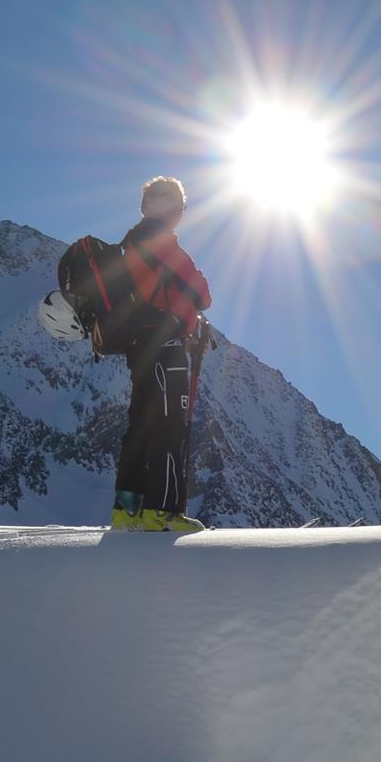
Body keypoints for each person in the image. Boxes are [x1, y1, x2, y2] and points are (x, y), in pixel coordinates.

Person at [112, 176, 212, 532]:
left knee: (141, 426)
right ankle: (162, 511)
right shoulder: (163, 242)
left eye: (179, 204)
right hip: (166, 343)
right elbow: (202, 294)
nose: (175, 209)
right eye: (168, 200)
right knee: (169, 426)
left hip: (140, 344)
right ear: (149, 204)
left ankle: (127, 511)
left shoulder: (130, 242)